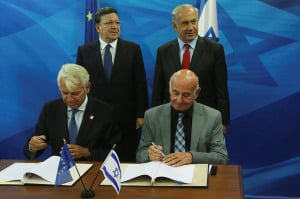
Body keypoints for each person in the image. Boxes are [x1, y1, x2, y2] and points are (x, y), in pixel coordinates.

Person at [76, 7, 148, 162]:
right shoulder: (84, 51)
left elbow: (140, 83)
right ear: (97, 27)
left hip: (125, 118)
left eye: (117, 23)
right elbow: (80, 85)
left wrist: (140, 114)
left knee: (125, 160)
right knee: (97, 159)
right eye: (109, 23)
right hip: (95, 118)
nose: (115, 26)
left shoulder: (133, 50)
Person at [152, 4, 230, 134]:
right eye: (185, 23)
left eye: (193, 22)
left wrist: (222, 121)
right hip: (171, 120)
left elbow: (221, 90)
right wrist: (155, 120)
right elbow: (158, 91)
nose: (191, 27)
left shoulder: (215, 50)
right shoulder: (163, 51)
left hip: (206, 120)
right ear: (175, 26)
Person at [23, 64, 122, 161]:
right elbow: (34, 146)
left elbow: (117, 151)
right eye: (65, 93)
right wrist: (32, 146)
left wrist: (87, 152)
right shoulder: (50, 109)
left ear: (87, 87)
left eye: (75, 93)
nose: (70, 99)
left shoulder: (105, 112)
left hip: (94, 171)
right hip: (61, 173)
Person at [136, 69, 228, 166]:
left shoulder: (212, 117)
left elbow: (221, 157)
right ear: (169, 88)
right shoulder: (151, 116)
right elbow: (140, 154)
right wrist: (149, 155)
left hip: (196, 175)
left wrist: (191, 157)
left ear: (197, 93)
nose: (179, 100)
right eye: (175, 93)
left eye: (186, 95)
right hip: (163, 175)